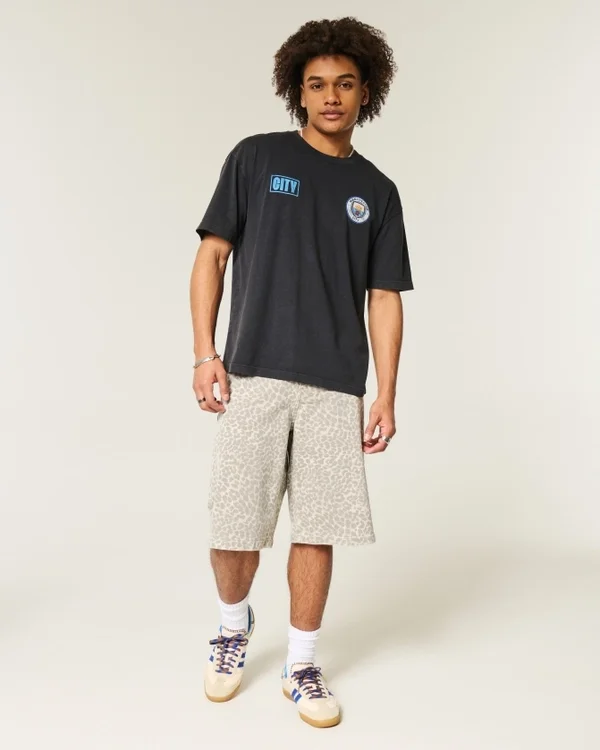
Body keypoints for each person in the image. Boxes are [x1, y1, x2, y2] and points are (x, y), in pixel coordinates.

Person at [189, 16, 414, 729]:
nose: (331, 97)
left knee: (318, 528)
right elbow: (212, 255)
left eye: (345, 84)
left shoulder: (377, 191)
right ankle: (233, 628)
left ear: (366, 91)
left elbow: (384, 297)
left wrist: (386, 392)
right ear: (298, 91)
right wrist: (204, 352)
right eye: (317, 85)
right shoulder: (256, 158)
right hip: (252, 372)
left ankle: (302, 664)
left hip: (334, 385)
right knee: (235, 525)